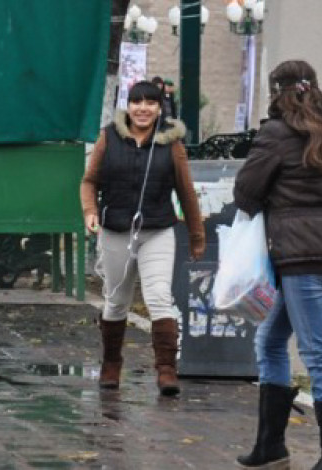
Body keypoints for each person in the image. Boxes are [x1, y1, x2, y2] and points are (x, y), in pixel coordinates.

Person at [234, 60, 322, 470]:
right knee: (270, 341)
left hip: (301, 254)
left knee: (317, 350)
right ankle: (270, 447)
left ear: (276, 91)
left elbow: (246, 191)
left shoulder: (275, 133)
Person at [80, 80, 204, 396]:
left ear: (159, 108)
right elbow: (89, 181)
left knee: (159, 296)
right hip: (115, 230)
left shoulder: (171, 144)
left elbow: (186, 192)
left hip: (157, 230)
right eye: (137, 102)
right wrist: (90, 211)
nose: (143, 108)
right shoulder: (109, 137)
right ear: (128, 106)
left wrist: (196, 235)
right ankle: (111, 363)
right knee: (116, 300)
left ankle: (166, 370)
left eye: (151, 103)